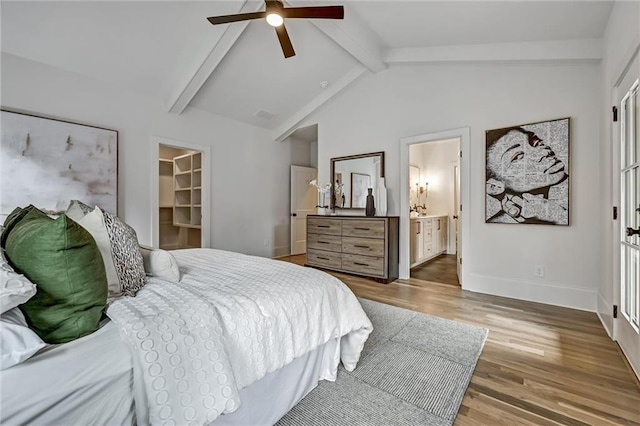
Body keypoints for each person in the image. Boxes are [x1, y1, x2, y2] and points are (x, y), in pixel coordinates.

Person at [485, 124, 569, 224]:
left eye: (535, 142)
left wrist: (558, 215)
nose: (543, 152)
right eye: (518, 156)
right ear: (494, 187)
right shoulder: (497, 225)